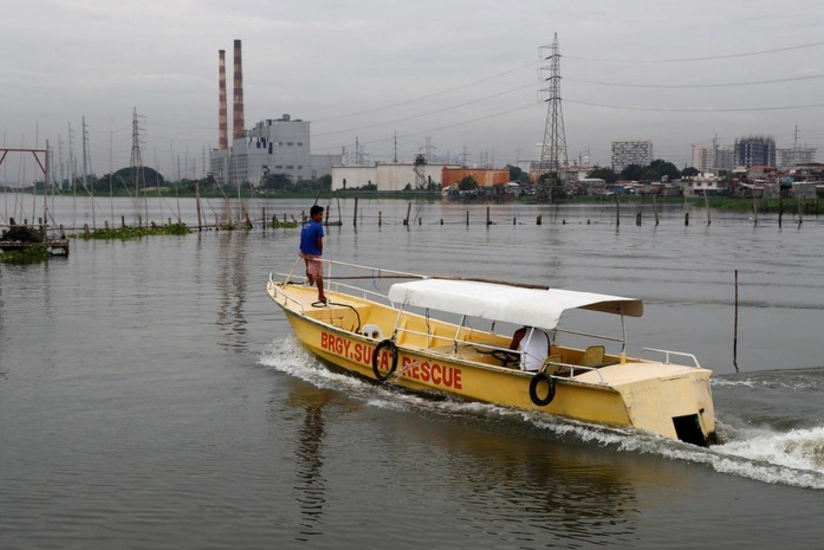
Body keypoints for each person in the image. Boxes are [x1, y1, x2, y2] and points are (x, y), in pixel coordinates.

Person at [299, 205, 326, 304]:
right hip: (313, 253)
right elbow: (319, 242)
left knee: (308, 267)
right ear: (314, 215)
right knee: (319, 275)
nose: (321, 217)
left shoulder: (306, 224)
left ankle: (311, 282)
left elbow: (303, 237)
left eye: (322, 214)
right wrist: (320, 253)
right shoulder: (318, 227)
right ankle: (321, 295)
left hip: (303, 251)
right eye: (320, 214)